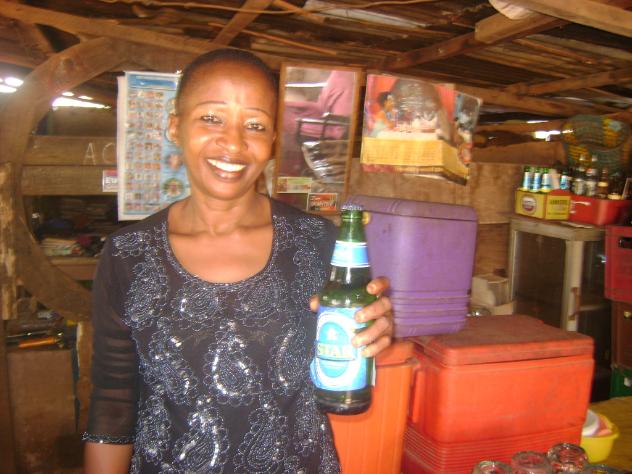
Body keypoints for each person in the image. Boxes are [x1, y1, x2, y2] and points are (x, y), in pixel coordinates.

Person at [83, 48, 394, 473]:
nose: (233, 143)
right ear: (175, 126)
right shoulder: (128, 255)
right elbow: (113, 398)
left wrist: (372, 332)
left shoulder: (319, 242)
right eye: (212, 118)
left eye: (255, 125)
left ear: (272, 141)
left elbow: (346, 359)